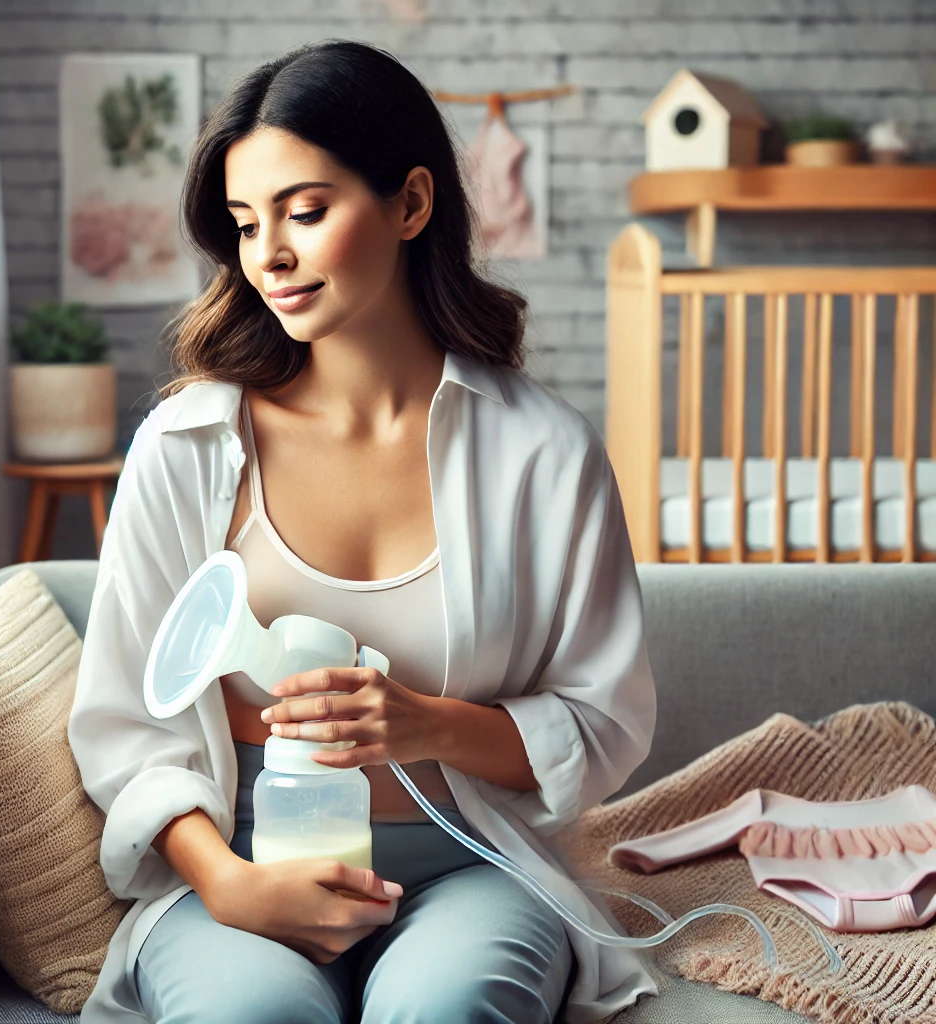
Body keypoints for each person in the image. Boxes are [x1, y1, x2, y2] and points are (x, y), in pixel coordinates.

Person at [68, 38, 658, 1024]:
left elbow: (603, 721)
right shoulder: (188, 446)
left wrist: (426, 722)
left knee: (445, 1009)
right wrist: (223, 880)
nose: (271, 256)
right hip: (247, 860)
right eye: (247, 224)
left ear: (411, 203)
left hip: (470, 868)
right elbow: (128, 721)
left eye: (304, 212)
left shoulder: (541, 452)